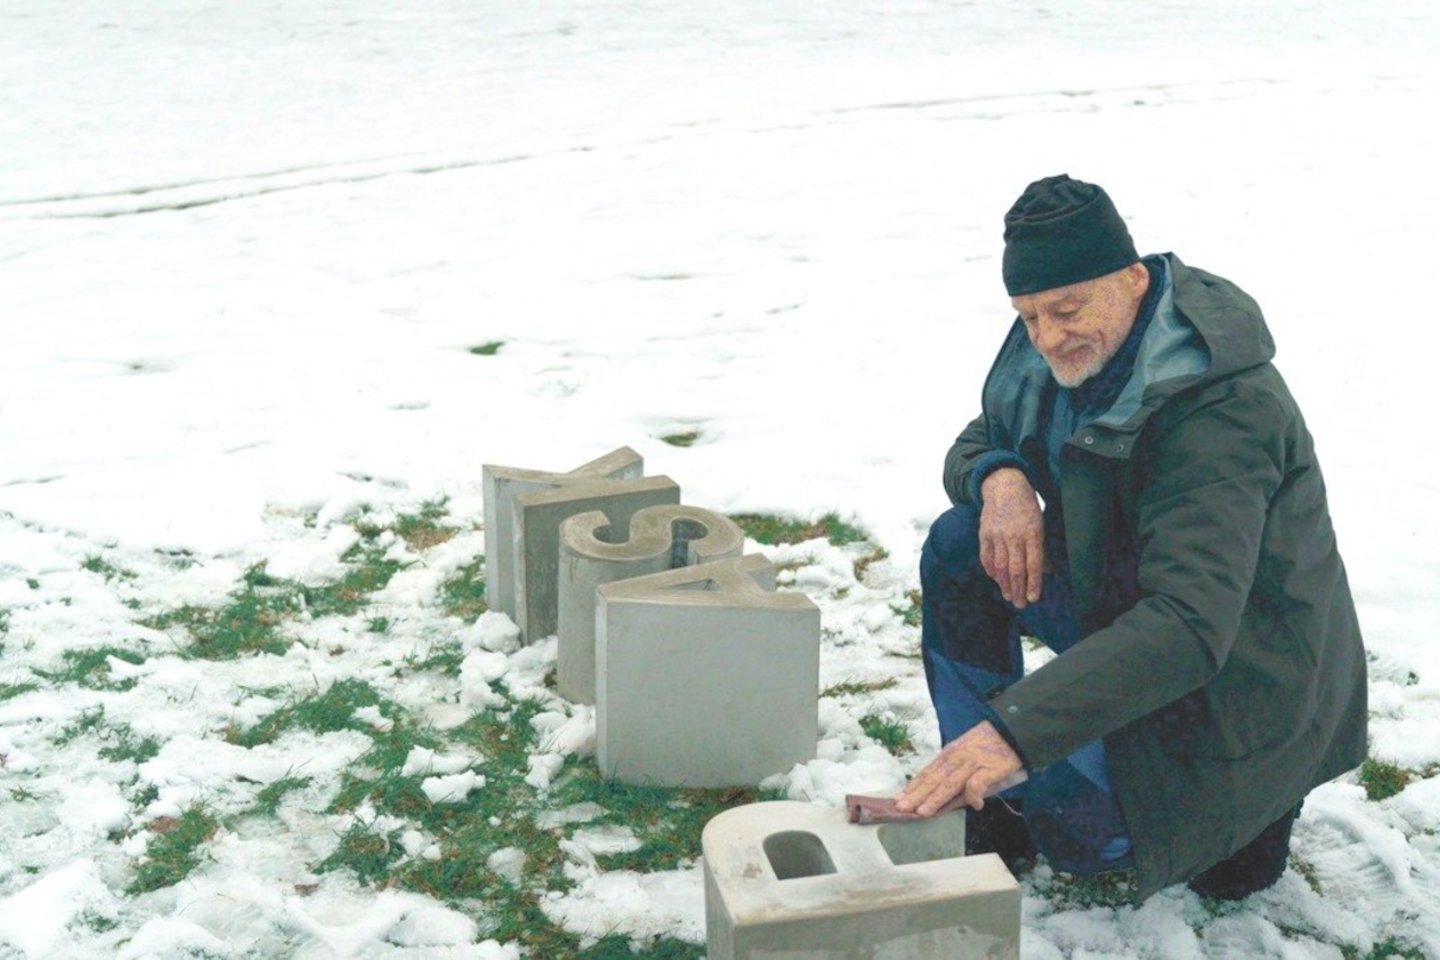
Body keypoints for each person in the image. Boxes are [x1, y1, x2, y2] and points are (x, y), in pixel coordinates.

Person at [894, 174, 1368, 901]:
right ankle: (994, 801)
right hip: (1123, 607)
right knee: (963, 542)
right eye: (1027, 317)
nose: (1047, 336)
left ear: (1133, 280)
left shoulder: (1219, 408)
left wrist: (1018, 733)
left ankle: (1256, 804)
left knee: (1164, 865)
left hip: (1241, 675)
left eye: (1065, 310)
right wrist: (1000, 479)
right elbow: (985, 433)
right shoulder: (1061, 346)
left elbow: (1187, 623)